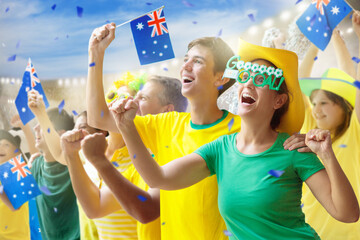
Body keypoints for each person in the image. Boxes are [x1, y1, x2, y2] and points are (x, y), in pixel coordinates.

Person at [107, 39, 359, 239]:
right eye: (245, 77)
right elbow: (158, 178)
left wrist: (327, 155)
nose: (248, 84)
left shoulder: (292, 149)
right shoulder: (220, 150)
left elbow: (348, 214)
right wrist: (127, 127)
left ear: (278, 100)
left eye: (260, 80)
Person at [86, 22, 240, 239]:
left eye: (197, 61)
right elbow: (98, 117)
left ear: (221, 78)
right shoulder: (166, 124)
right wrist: (96, 53)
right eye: (186, 59)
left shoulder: (240, 130)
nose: (185, 66)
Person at [60, 75, 187, 240]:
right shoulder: (104, 149)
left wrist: (99, 161)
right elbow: (94, 208)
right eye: (113, 96)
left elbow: (146, 211)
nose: (127, 103)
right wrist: (72, 156)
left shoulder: (165, 154)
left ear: (166, 110)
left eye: (141, 98)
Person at [283, 11, 360, 239]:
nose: (316, 109)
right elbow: (297, 85)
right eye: (314, 102)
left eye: (324, 103)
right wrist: (315, 44)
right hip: (311, 230)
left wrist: (336, 38)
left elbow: (350, 79)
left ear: (344, 106)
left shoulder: (353, 129)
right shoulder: (311, 129)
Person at [25, 95, 80, 240]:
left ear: (60, 134)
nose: (36, 127)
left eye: (44, 124)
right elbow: (15, 202)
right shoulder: (36, 165)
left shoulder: (75, 164)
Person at [0, 129, 31, 240]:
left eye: (6, 144)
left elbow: (15, 205)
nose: (1, 148)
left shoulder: (19, 170)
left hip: (16, 237)